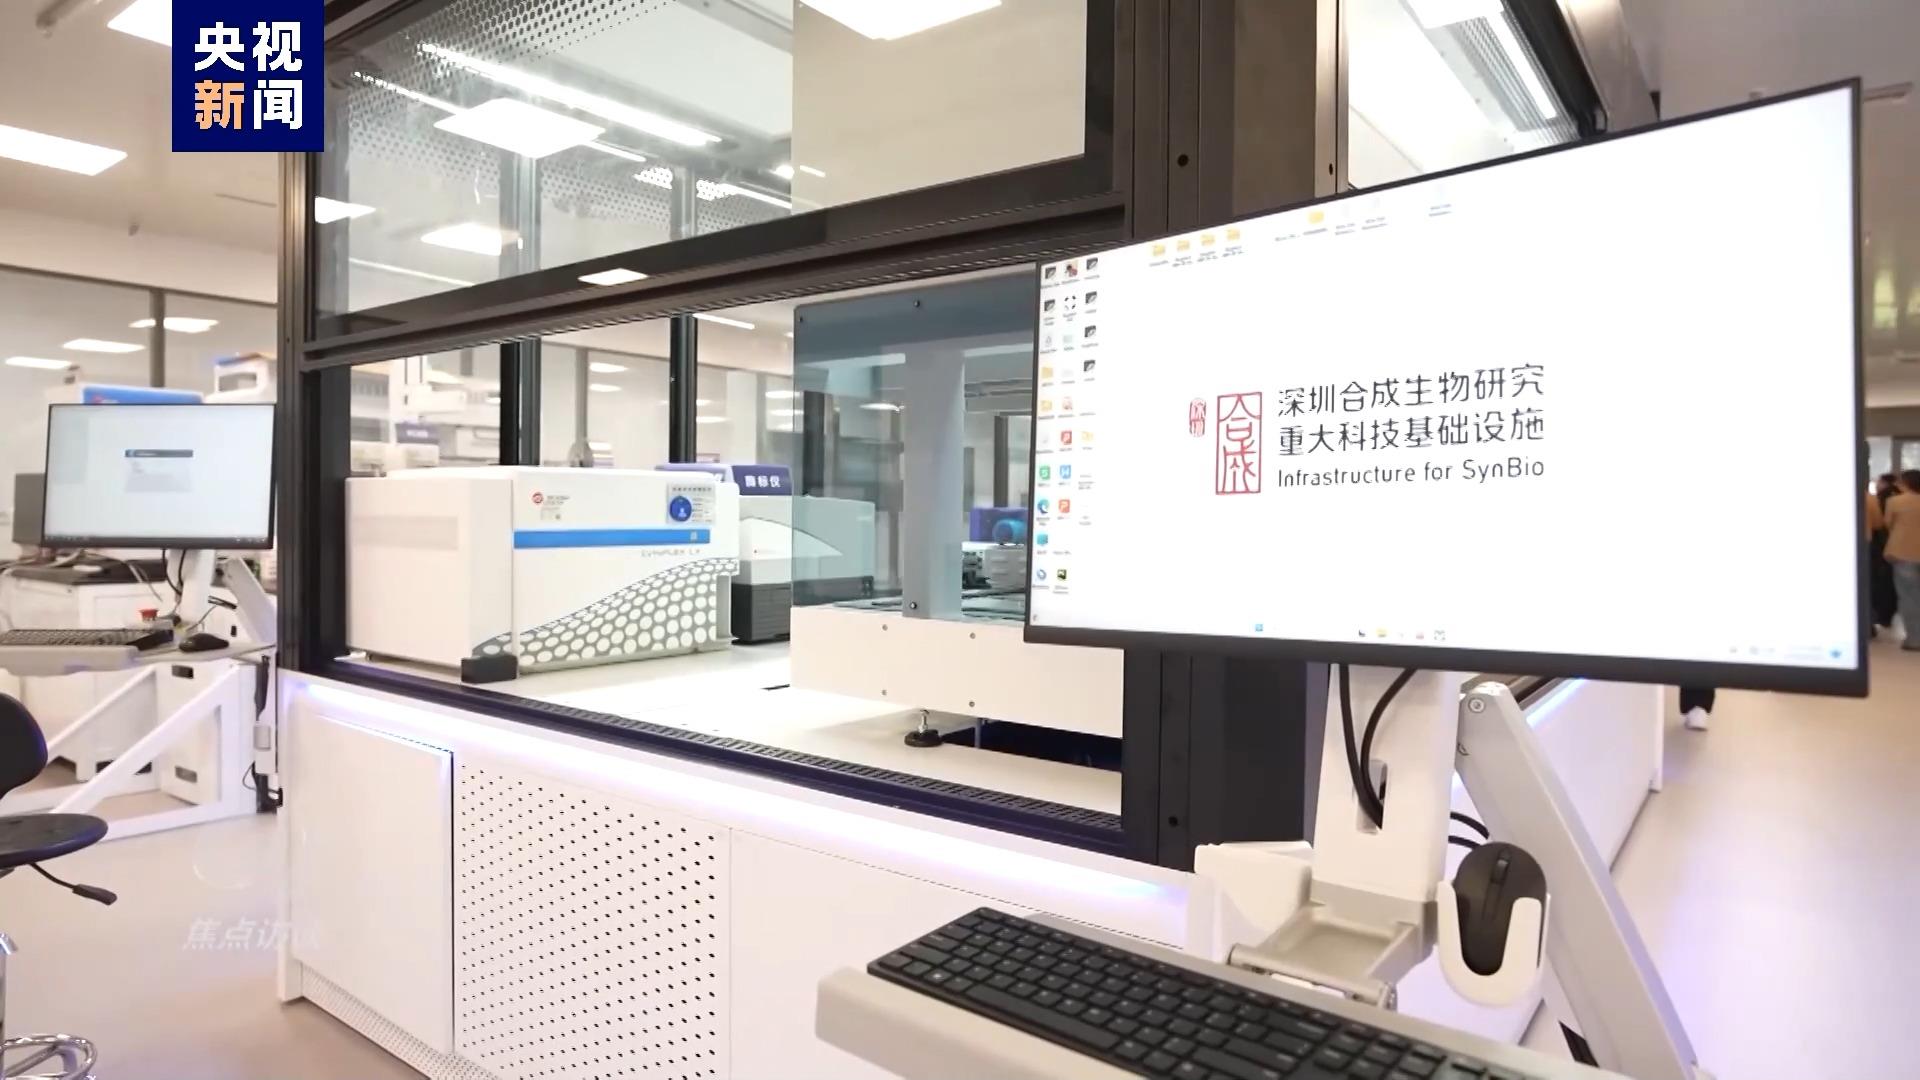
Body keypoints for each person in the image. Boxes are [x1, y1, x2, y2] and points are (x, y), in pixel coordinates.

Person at [1887, 470, 1920, 651]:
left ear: (1905, 483)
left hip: (1902, 551)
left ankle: (1914, 639)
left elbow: (1888, 524)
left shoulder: (1895, 502)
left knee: (1908, 596)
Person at [1870, 473, 1898, 632]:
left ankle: (1882, 616)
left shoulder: (1881, 499)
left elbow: (1880, 523)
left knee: (1881, 582)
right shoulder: (1897, 495)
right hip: (1899, 547)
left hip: (1882, 546)